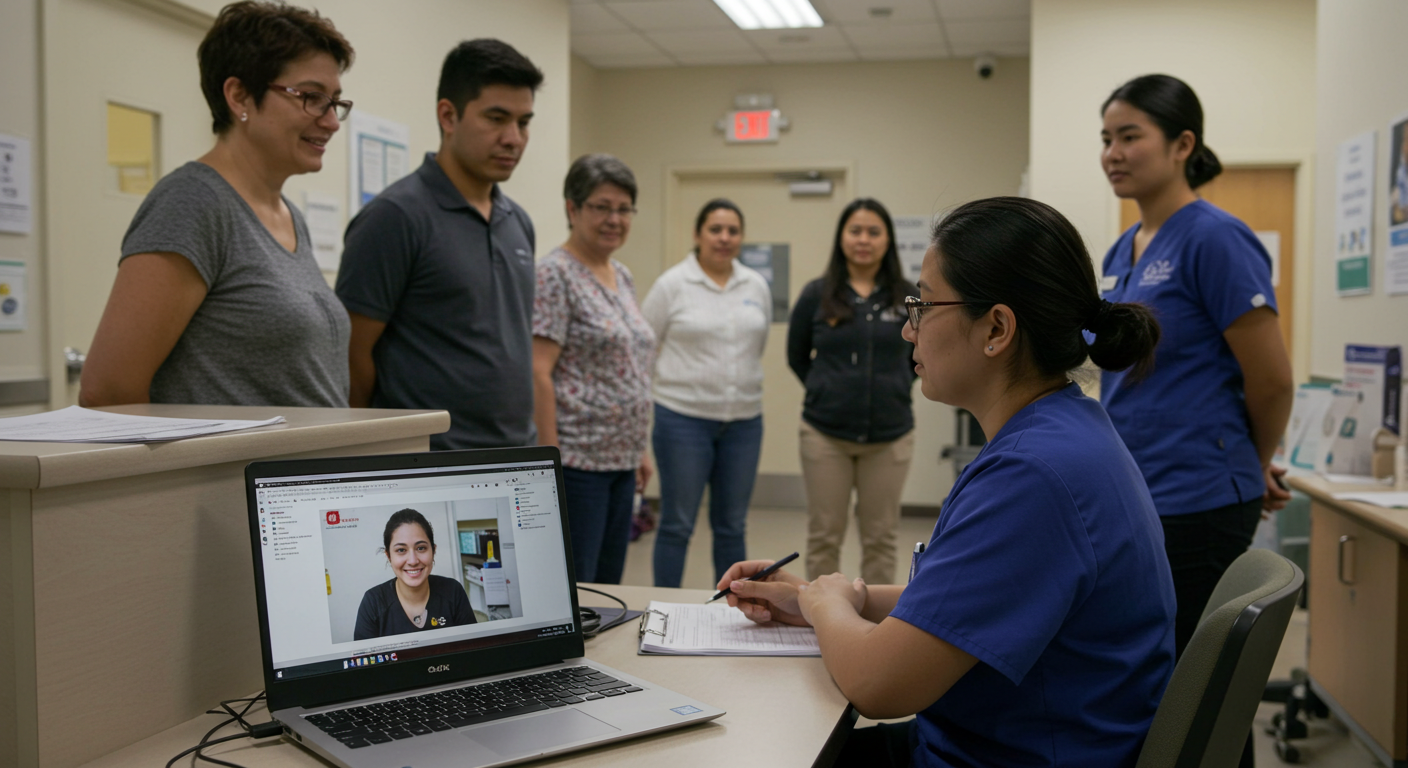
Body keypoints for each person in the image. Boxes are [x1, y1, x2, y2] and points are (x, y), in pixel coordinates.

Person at [720, 197, 1176, 768]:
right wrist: (828, 598)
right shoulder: (1065, 431)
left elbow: (877, 686)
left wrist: (824, 609)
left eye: (923, 306)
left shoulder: (1032, 477)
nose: (909, 332)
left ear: (996, 328)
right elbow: (966, 602)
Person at [1099, 74, 1294, 662]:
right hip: (1138, 488)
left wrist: (1252, 463)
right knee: (1156, 671)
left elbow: (1273, 379)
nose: (1112, 153)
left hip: (1200, 499)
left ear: (1182, 145)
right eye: (1105, 138)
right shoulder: (1121, 248)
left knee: (1199, 680)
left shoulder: (1215, 239)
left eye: (1130, 136)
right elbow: (1104, 352)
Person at [81, 1, 353, 407]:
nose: (331, 121)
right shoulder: (193, 203)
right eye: (312, 97)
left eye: (335, 102)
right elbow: (109, 393)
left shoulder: (290, 216)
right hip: (236, 471)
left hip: (308, 470)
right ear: (239, 95)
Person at [335, 40, 543, 450]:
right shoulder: (395, 217)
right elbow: (350, 355)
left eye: (523, 122)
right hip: (432, 461)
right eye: (497, 118)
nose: (513, 138)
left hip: (517, 455)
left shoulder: (517, 222)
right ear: (448, 115)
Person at [532, 154, 654, 585]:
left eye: (623, 209)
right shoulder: (554, 274)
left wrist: (639, 447)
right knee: (580, 586)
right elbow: (538, 371)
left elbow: (628, 366)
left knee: (609, 582)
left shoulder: (621, 274)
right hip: (578, 460)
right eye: (602, 207)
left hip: (621, 460)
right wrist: (550, 463)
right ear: (573, 208)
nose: (614, 219)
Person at [786, 198, 919, 585]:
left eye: (873, 232)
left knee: (881, 538)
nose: (864, 239)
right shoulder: (817, 293)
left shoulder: (907, 296)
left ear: (887, 240)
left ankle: (875, 626)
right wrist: (825, 389)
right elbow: (797, 356)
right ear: (841, 238)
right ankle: (823, 618)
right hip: (825, 434)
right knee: (825, 536)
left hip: (890, 436)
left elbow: (920, 357)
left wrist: (893, 386)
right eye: (855, 230)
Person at [641, 199, 771, 587]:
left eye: (733, 230)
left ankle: (732, 609)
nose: (724, 238)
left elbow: (756, 346)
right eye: (715, 229)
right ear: (698, 235)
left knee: (732, 526)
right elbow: (644, 349)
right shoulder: (672, 284)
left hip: (744, 423)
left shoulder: (755, 284)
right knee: (677, 523)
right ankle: (664, 606)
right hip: (682, 419)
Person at [354, 508, 475, 640]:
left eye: (421, 548)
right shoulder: (373, 602)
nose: (413, 561)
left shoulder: (453, 591)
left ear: (433, 551)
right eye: (401, 550)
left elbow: (473, 650)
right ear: (389, 556)